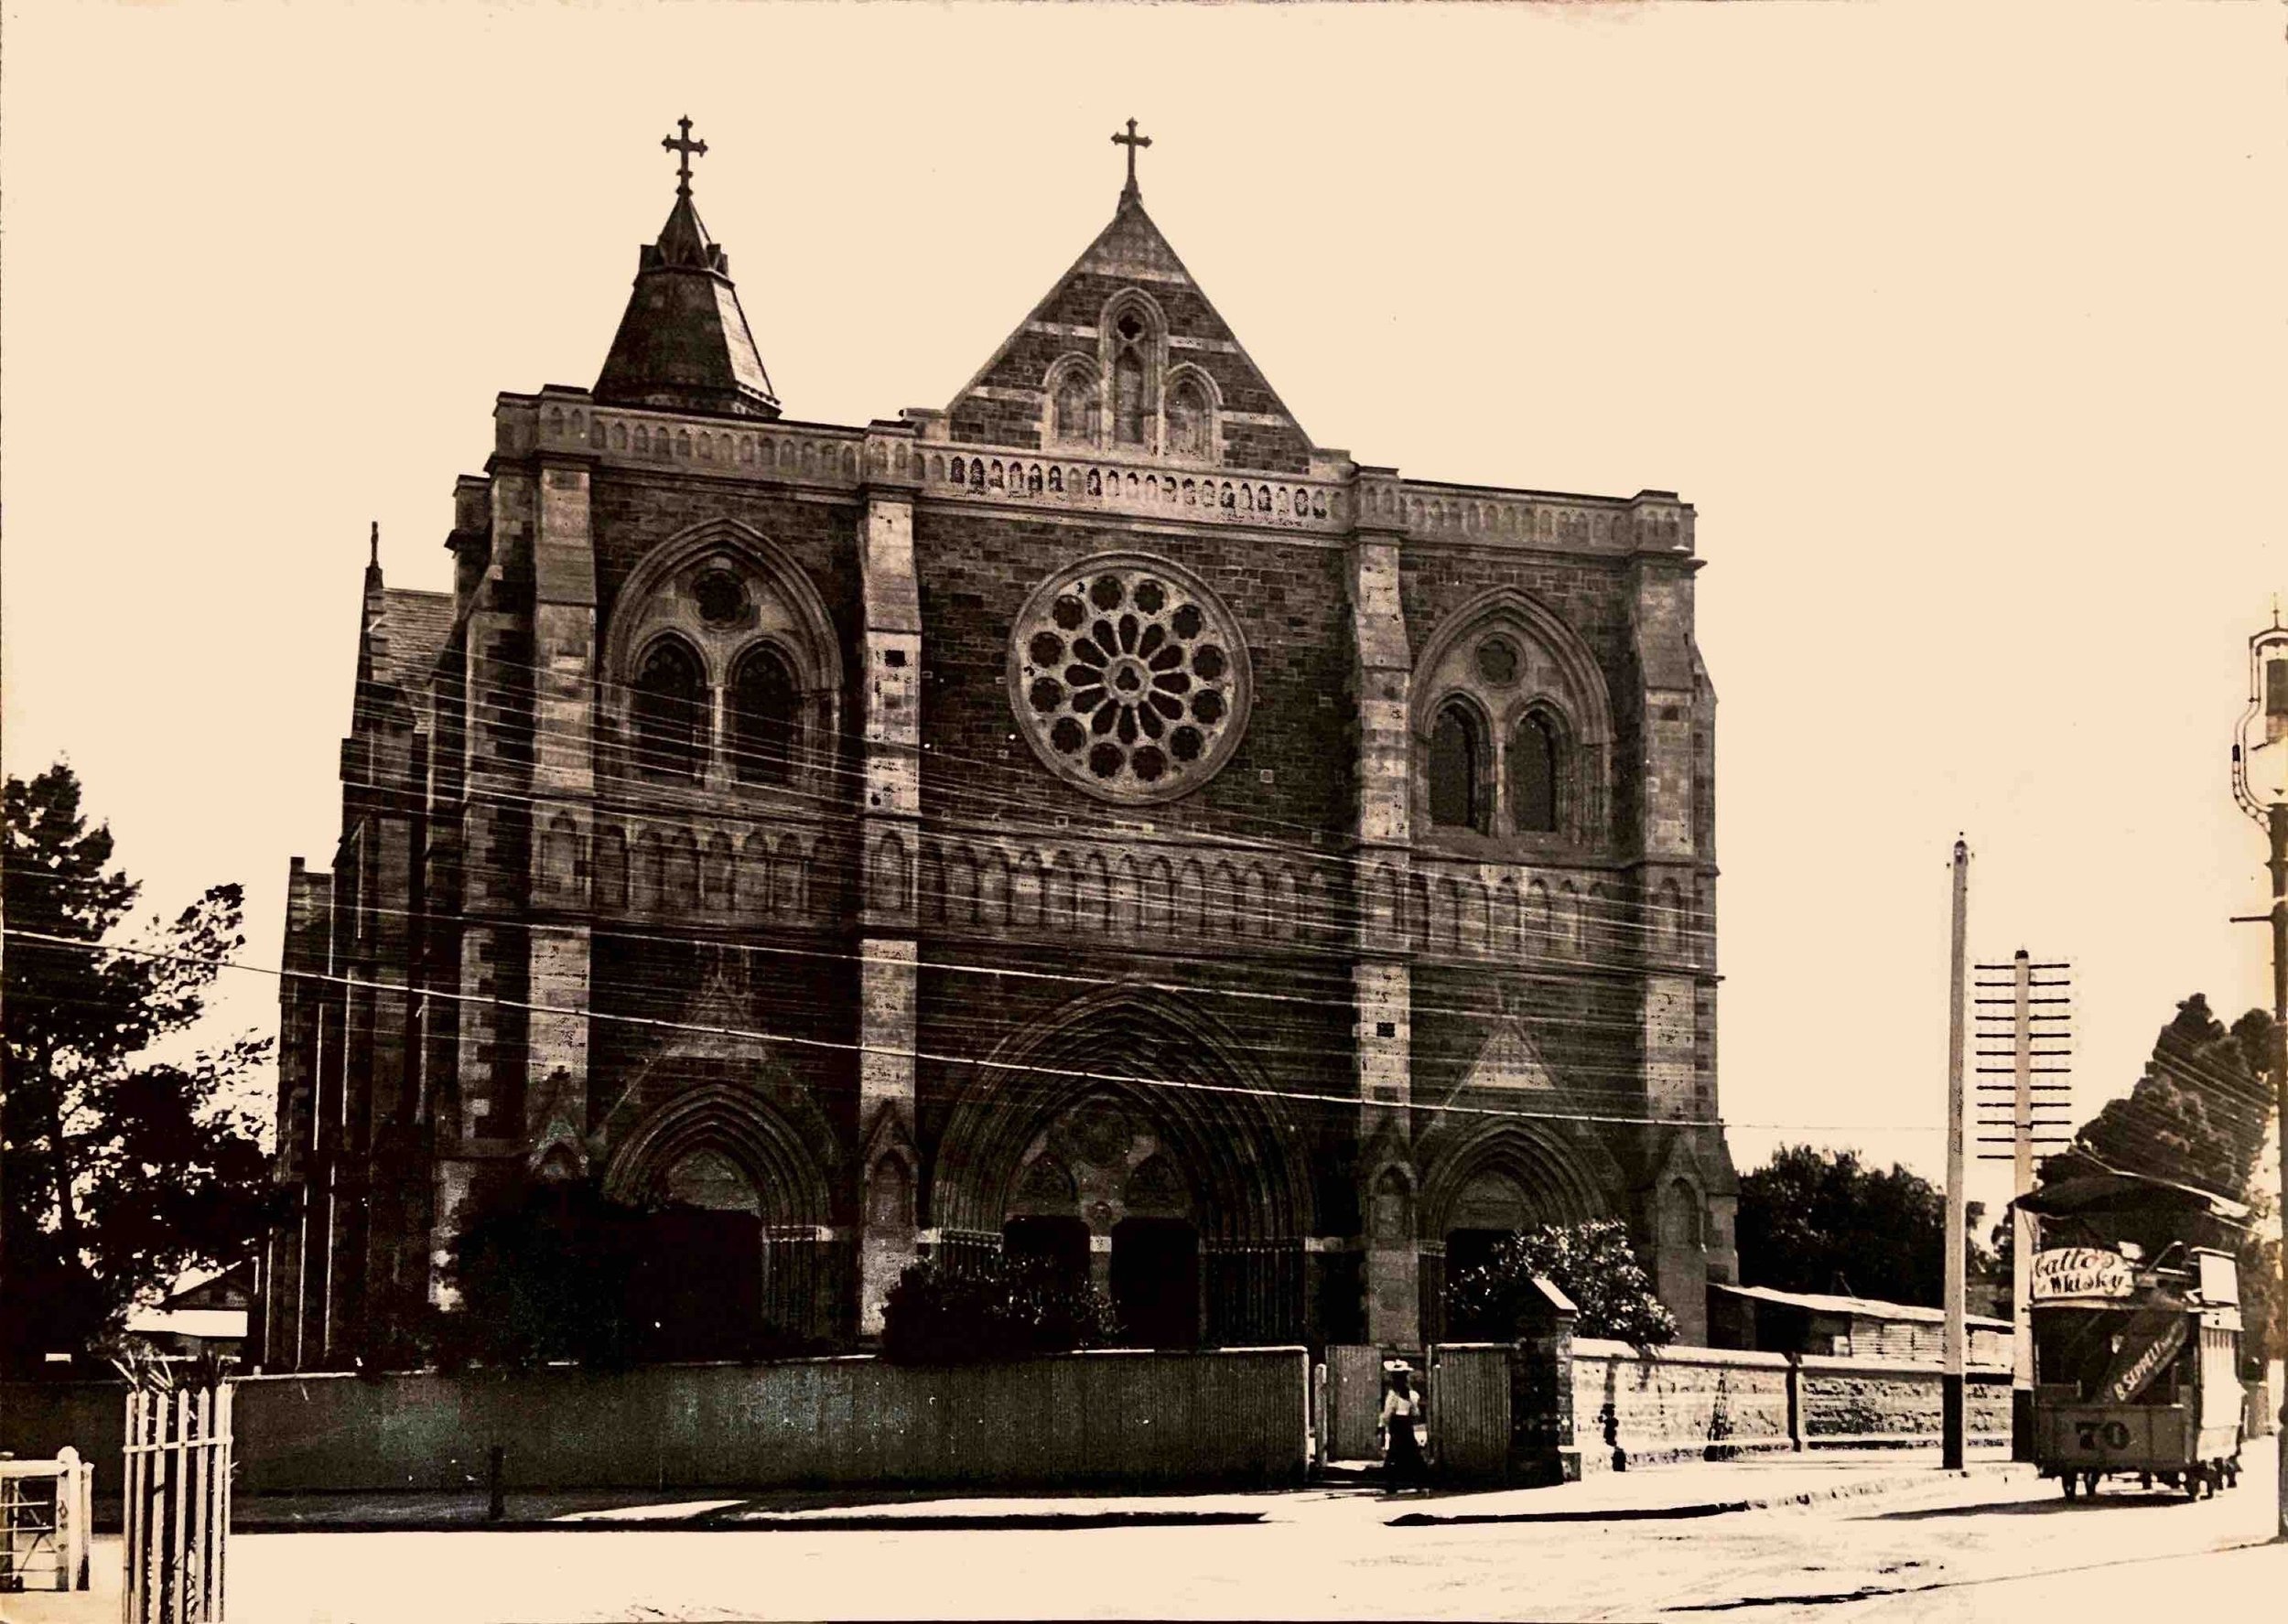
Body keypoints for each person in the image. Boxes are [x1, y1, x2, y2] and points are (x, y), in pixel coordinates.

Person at [1379, 1361, 1429, 1488]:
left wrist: (1382, 1424)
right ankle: (1418, 1482)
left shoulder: (1394, 1395)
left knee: (1395, 1455)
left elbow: (1387, 1413)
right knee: (1411, 1453)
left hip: (1398, 1425)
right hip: (1405, 1424)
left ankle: (1393, 1484)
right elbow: (1415, 1412)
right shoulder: (1409, 1394)